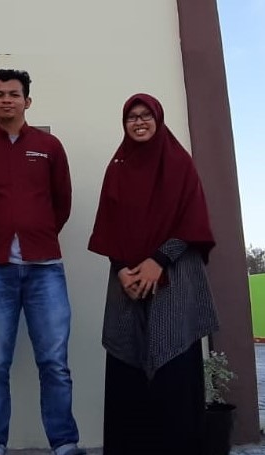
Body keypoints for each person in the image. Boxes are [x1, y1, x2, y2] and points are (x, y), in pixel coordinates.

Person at [0, 69, 85, 455]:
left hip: (45, 269)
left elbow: (62, 202)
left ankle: (64, 443)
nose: (7, 100)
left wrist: (37, 233)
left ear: (27, 101)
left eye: (14, 94)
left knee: (55, 363)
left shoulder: (49, 146)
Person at [88, 93, 218, 455]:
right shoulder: (118, 167)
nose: (139, 122)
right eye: (132, 116)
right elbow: (109, 225)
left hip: (174, 277)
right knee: (127, 366)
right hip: (127, 281)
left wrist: (159, 260)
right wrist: (121, 270)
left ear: (158, 120)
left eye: (146, 115)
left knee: (173, 366)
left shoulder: (179, 163)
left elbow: (193, 219)